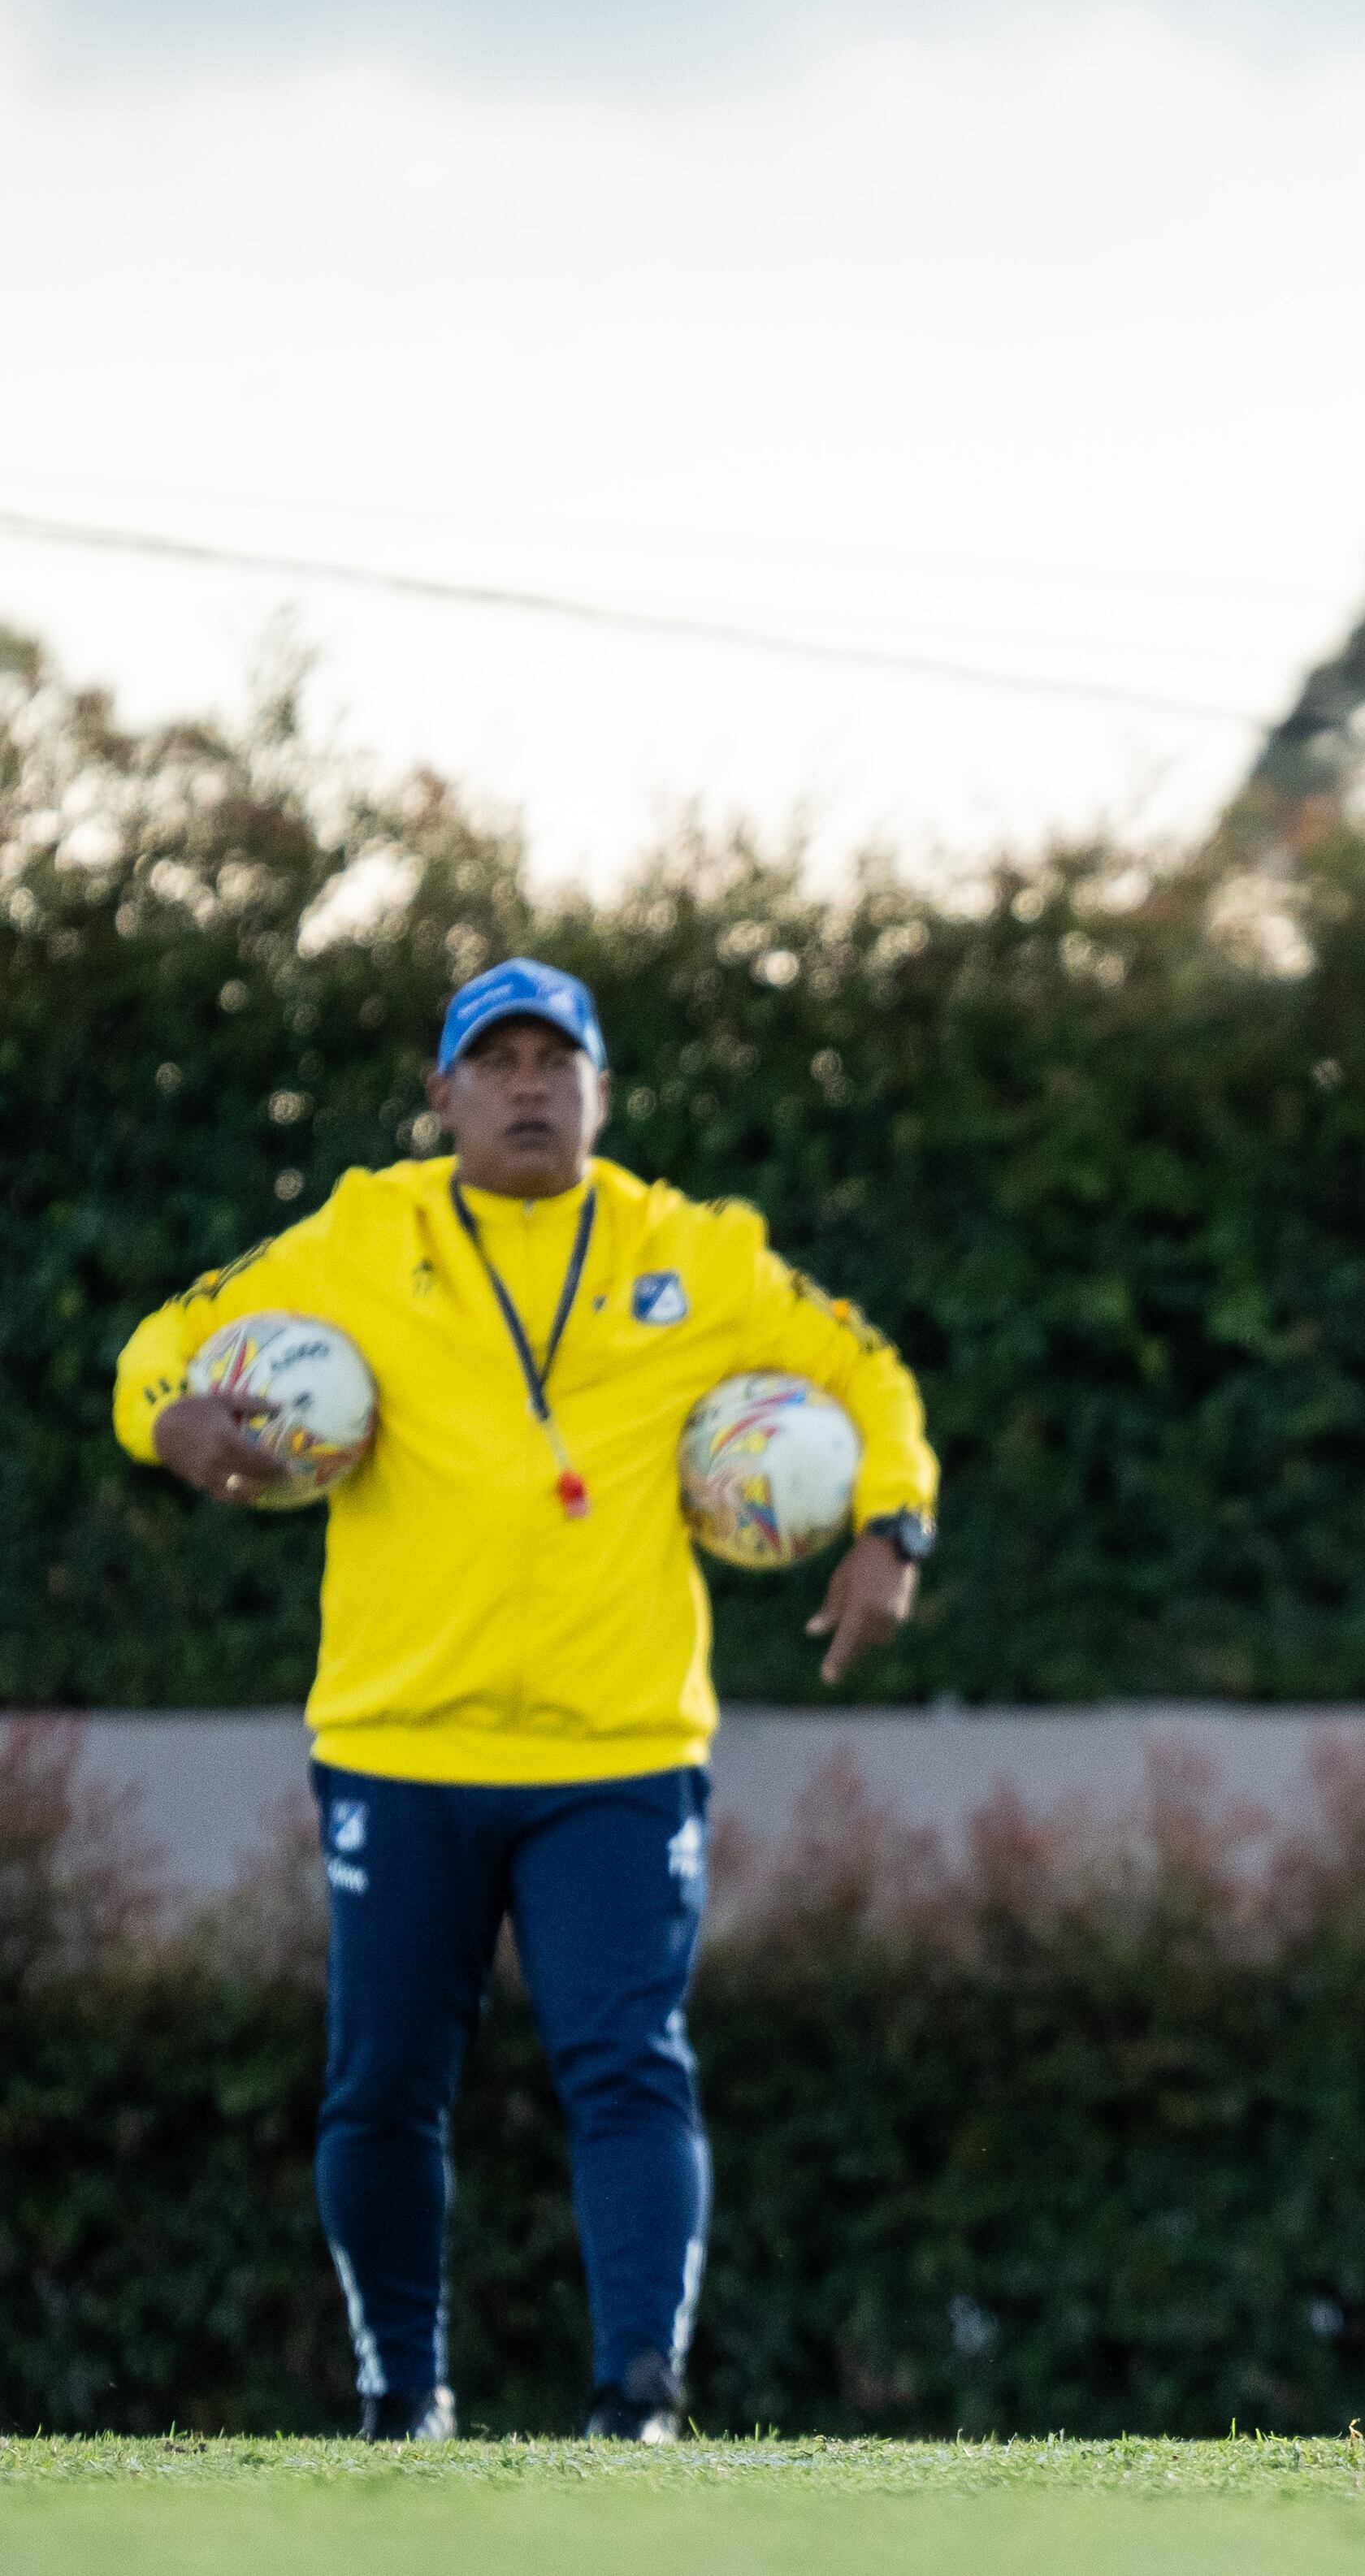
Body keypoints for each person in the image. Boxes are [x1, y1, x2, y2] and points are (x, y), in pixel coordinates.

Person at [113, 957, 939, 2443]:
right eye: (492, 1060)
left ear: (598, 1092)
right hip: (399, 1742)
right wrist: (170, 1418)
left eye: (556, 1060)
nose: (527, 1084)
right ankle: (401, 2394)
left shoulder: (695, 1248)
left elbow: (865, 1368)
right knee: (380, 2087)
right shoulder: (363, 1230)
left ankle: (638, 2403)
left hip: (617, 1752)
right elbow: (160, 1342)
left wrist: (894, 1523)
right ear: (441, 1095)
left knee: (628, 2066)